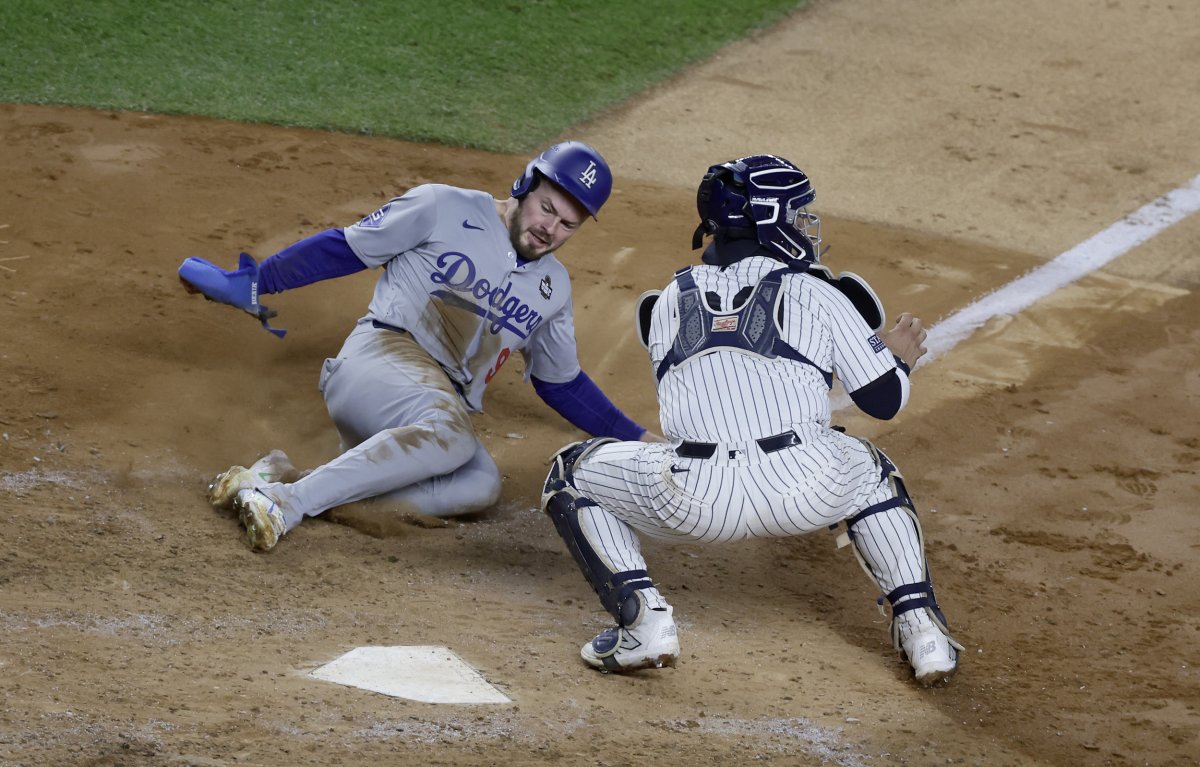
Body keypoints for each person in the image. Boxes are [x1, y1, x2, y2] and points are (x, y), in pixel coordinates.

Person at [539, 154, 963, 686]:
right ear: (766, 220)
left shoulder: (667, 300)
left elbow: (703, 396)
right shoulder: (815, 291)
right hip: (808, 489)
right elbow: (884, 401)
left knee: (569, 472)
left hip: (692, 500)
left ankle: (644, 624)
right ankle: (924, 634)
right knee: (871, 467)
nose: (804, 224)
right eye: (796, 213)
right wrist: (897, 355)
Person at [178, 141, 663, 552]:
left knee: (480, 484)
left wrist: (639, 440)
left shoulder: (552, 288)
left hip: (434, 408)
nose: (549, 228)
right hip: (377, 361)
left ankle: (280, 481)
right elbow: (346, 247)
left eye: (567, 225)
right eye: (547, 208)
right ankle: (287, 505)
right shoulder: (443, 207)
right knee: (452, 434)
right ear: (525, 184)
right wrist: (259, 283)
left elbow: (561, 383)